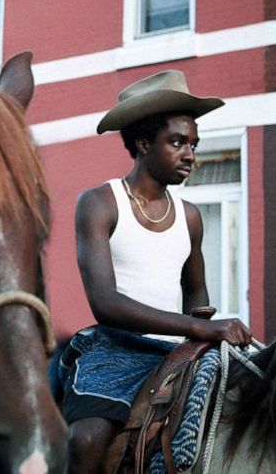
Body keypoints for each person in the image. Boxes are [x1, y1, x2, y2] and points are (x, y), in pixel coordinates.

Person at [58, 70, 253, 474]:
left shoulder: (190, 217)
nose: (191, 155)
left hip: (177, 354)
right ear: (144, 144)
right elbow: (105, 303)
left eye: (194, 144)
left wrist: (203, 334)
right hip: (115, 349)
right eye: (178, 142)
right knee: (87, 441)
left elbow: (196, 296)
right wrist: (201, 328)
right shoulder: (99, 203)